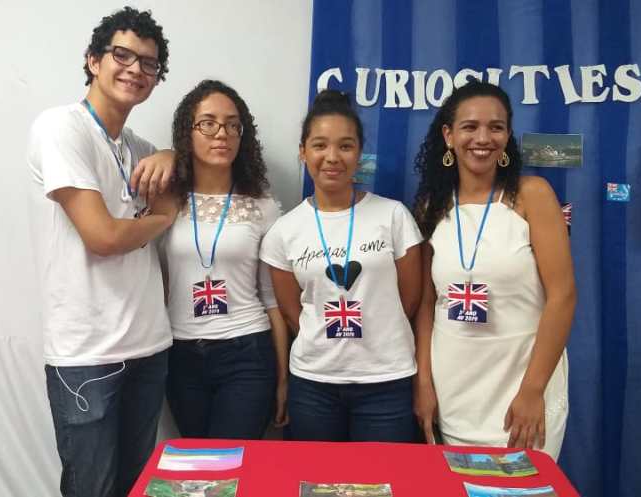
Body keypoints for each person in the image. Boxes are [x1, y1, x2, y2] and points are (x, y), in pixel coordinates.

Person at [26, 7, 177, 497]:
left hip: (149, 346)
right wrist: (159, 220)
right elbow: (104, 237)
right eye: (122, 55)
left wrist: (172, 154)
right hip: (87, 354)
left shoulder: (142, 149)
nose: (135, 70)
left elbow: (175, 194)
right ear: (93, 60)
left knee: (137, 487)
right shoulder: (61, 128)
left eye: (149, 63)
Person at [411, 81, 576, 460]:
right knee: (460, 483)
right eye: (469, 127)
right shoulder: (431, 207)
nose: (483, 138)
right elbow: (426, 305)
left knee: (525, 482)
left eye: (496, 127)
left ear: (507, 135)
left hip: (523, 380)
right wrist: (424, 381)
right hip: (456, 385)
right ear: (449, 136)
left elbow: (563, 296)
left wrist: (533, 390)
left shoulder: (533, 195)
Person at [260, 90, 423, 442]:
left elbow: (409, 301)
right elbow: (292, 313)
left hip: (386, 380)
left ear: (359, 153)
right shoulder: (283, 232)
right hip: (314, 383)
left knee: (383, 474)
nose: (332, 157)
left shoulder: (394, 216)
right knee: (316, 474)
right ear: (303, 152)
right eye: (319, 145)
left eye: (345, 146)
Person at [159, 79, 289, 438]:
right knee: (199, 463)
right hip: (180, 353)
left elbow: (272, 299)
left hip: (246, 351)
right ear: (187, 132)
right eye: (208, 123)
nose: (222, 134)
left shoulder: (262, 206)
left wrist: (283, 380)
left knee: (231, 461)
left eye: (233, 125)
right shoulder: (167, 200)